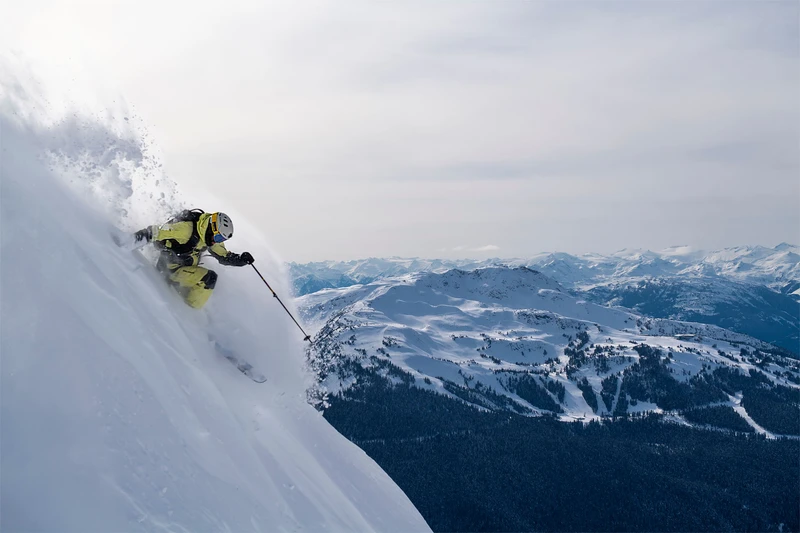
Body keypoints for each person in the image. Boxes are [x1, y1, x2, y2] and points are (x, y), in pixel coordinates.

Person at [133, 210, 254, 309]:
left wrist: (241, 260)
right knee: (209, 279)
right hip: (169, 270)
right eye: (217, 237)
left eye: (220, 239)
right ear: (211, 227)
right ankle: (187, 312)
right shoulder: (186, 229)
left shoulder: (208, 236)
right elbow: (155, 232)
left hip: (185, 269)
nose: (215, 241)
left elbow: (224, 257)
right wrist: (131, 240)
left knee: (208, 280)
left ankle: (187, 299)